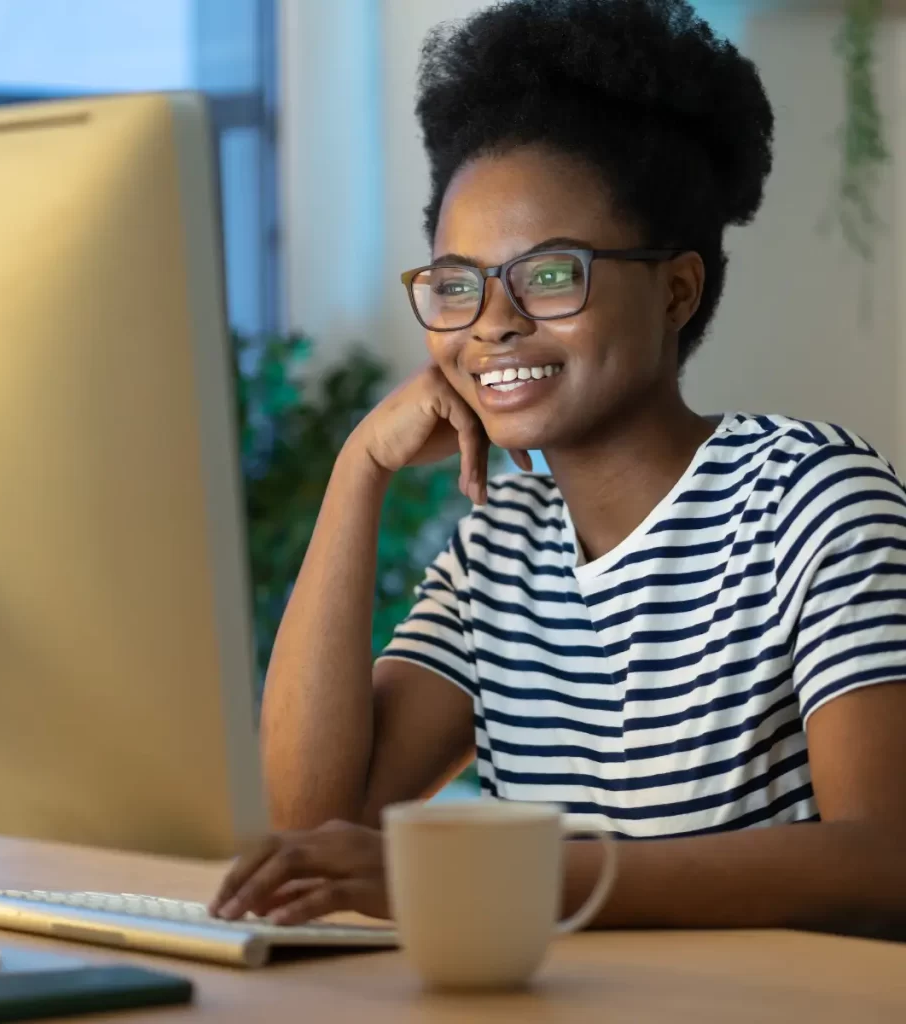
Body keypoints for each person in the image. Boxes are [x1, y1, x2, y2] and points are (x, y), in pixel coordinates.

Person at [213, 0, 906, 935]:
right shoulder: (503, 547)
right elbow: (315, 824)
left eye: (548, 274)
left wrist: (501, 882)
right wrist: (358, 470)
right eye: (457, 283)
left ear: (676, 288)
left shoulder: (812, 496)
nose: (492, 321)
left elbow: (883, 859)